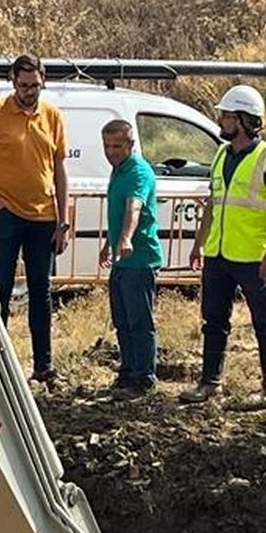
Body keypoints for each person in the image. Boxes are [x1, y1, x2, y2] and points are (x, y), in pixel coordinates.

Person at [0, 53, 70, 386]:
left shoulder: (52, 115)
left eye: (34, 86)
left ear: (43, 81)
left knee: (41, 290)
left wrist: (63, 220)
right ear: (12, 81)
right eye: (23, 86)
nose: (29, 92)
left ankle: (43, 365)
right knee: (0, 288)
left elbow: (60, 168)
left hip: (44, 217)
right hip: (5, 216)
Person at [181, 85, 266, 410]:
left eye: (227, 115)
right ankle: (209, 381)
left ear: (244, 119)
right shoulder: (220, 154)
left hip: (253, 255)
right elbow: (214, 204)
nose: (221, 120)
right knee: (213, 318)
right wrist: (199, 244)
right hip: (219, 253)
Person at [98, 119, 162, 399]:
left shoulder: (139, 172)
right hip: (122, 260)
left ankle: (144, 377)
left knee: (139, 321)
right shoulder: (118, 170)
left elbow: (133, 207)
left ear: (131, 145)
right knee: (122, 320)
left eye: (117, 146)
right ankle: (127, 371)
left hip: (139, 260)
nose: (111, 151)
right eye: (107, 146)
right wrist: (108, 243)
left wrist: (124, 239)